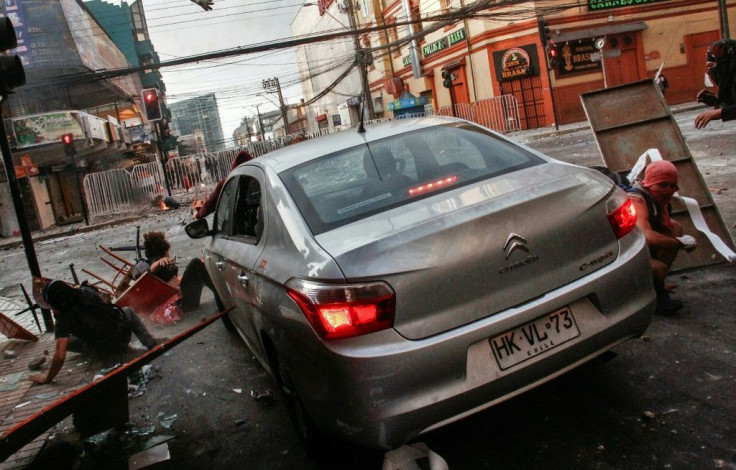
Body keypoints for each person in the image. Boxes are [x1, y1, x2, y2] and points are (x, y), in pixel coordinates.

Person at [29, 278, 163, 385]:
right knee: (127, 311)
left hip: (102, 348)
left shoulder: (63, 319)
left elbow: (59, 356)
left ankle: (107, 355)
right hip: (122, 334)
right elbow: (100, 302)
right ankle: (150, 343)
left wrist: (47, 377)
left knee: (65, 342)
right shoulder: (87, 292)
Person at [627, 160, 697, 315]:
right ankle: (654, 295)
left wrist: (676, 240)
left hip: (637, 247)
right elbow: (647, 236)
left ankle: (654, 286)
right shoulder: (637, 200)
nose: (669, 191)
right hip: (622, 253)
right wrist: (679, 243)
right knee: (659, 269)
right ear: (650, 184)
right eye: (663, 185)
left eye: (673, 186)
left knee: (674, 227)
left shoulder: (659, 202)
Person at [131, 231, 215, 312]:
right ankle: (220, 294)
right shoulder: (157, 263)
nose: (168, 253)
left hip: (180, 301)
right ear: (164, 251)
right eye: (167, 251)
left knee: (196, 266)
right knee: (195, 263)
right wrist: (158, 263)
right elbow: (150, 272)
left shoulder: (151, 263)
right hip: (182, 304)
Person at [194, 150, 253, 219]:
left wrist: (198, 215)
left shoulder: (228, 181)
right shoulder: (259, 177)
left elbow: (211, 203)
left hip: (238, 221)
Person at [694, 39, 736, 129]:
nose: (710, 72)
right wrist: (717, 103)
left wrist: (719, 112)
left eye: (711, 65)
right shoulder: (730, 79)